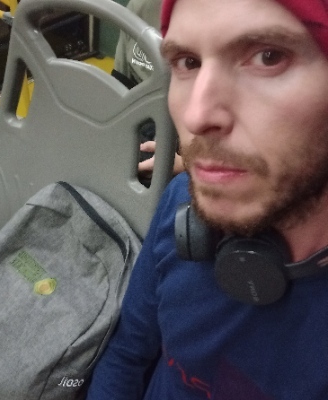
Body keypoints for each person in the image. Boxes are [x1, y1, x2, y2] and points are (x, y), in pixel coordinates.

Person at [86, 0, 328, 398]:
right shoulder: (181, 204)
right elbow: (127, 353)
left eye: (268, 57)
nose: (196, 116)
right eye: (188, 62)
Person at [112, 0, 184, 181]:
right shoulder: (141, 7)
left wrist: (185, 166)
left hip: (188, 146)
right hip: (142, 116)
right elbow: (119, 88)